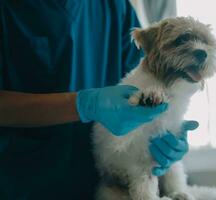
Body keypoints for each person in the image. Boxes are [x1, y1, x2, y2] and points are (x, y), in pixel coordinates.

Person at [0, 1, 198, 200]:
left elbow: (148, 79)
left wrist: (169, 131)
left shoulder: (115, 7)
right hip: (22, 181)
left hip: (103, 184)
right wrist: (86, 105)